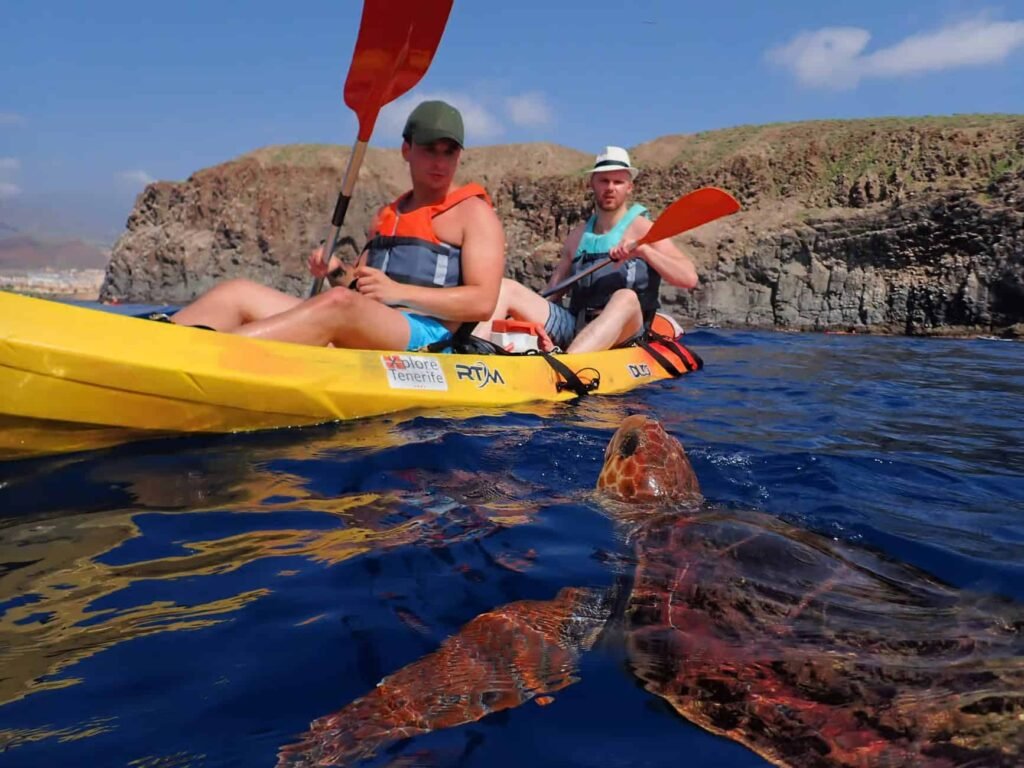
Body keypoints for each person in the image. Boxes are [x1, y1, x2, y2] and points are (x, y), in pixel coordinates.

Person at [170, 100, 506, 351]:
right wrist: (335, 271)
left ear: (459, 156)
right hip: (366, 318)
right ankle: (158, 343)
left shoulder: (474, 214)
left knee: (338, 306)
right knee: (237, 292)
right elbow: (357, 287)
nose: (439, 161)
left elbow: (481, 302)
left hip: (427, 334)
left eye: (449, 152)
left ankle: (202, 355)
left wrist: (399, 293)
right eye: (429, 149)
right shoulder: (390, 213)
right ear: (407, 150)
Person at [476, 146, 697, 354]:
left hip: (628, 332)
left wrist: (645, 251)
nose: (610, 188)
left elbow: (688, 278)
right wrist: (518, 319)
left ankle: (568, 364)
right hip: (577, 326)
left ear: (629, 187)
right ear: (592, 184)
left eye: (618, 182)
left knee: (625, 297)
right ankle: (474, 352)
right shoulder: (577, 236)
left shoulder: (644, 229)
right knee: (506, 288)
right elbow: (552, 293)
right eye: (604, 181)